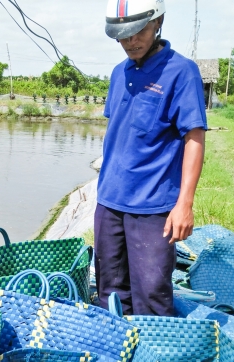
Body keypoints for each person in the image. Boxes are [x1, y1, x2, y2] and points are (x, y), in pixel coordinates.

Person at [95, 0, 207, 316]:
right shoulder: (119, 73)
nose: (130, 42)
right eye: (122, 35)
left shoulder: (181, 72)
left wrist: (184, 204)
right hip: (109, 202)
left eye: (137, 32)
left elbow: (194, 138)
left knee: (151, 296)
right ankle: (118, 352)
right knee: (110, 292)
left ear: (157, 23)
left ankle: (156, 360)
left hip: (153, 206)